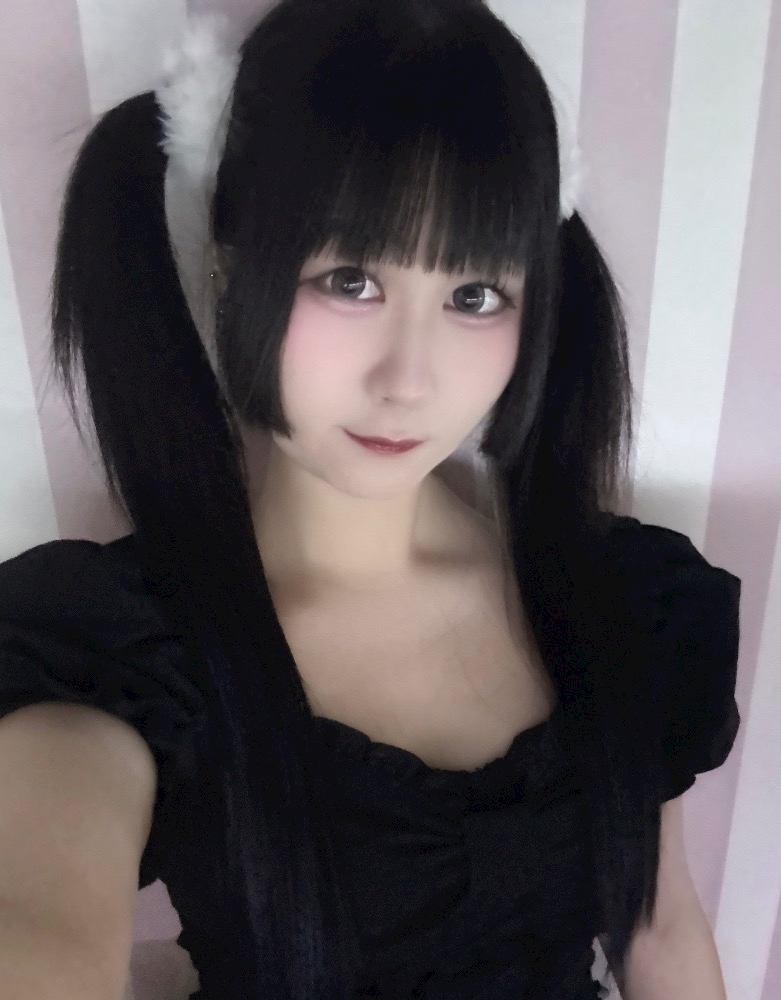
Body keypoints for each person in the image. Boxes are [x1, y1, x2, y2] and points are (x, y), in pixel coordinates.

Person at [0, 2, 741, 998]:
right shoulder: (121, 652)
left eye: (473, 296)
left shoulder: (624, 597)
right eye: (350, 279)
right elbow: (38, 926)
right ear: (229, 267)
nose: (409, 379)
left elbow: (663, 931)